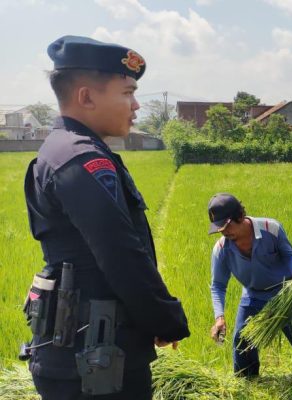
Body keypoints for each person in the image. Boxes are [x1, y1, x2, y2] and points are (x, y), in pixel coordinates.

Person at [23, 35, 190, 399]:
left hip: (86, 353)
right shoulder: (80, 158)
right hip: (94, 364)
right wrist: (165, 318)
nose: (136, 106)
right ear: (86, 96)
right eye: (127, 93)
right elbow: (119, 253)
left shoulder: (66, 148)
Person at [207, 193, 292, 377]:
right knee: (242, 340)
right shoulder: (221, 249)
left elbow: (289, 255)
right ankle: (247, 382)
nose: (223, 232)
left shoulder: (271, 228)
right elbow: (218, 285)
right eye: (219, 228)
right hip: (253, 297)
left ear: (239, 216)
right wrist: (219, 317)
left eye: (226, 225)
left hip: (287, 293)